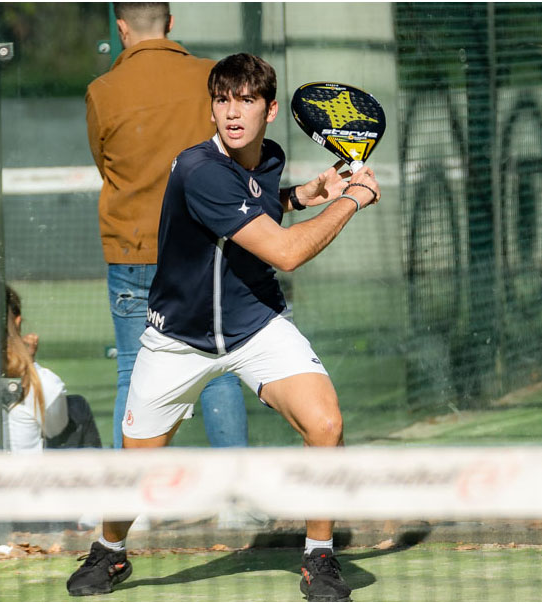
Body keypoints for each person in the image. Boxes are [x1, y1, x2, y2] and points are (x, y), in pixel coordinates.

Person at [66, 53, 381, 601]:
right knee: (135, 470)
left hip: (255, 323)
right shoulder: (199, 169)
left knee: (326, 424)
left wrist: (301, 196)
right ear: (211, 108)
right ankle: (110, 549)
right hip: (178, 340)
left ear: (270, 110)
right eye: (222, 100)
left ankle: (319, 555)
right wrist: (353, 199)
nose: (232, 113)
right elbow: (284, 252)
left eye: (246, 100)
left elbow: (254, 203)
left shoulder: (270, 157)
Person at [85, 1, 246, 449]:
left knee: (132, 372)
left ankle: (132, 492)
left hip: (133, 248)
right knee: (218, 370)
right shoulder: (212, 78)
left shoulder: (102, 91)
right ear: (170, 23)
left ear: (121, 29)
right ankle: (238, 486)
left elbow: (106, 166)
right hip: (206, 249)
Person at [0, 286, 101, 452]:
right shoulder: (46, 383)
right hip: (33, 468)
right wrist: (29, 362)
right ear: (17, 322)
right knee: (76, 404)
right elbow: (55, 429)